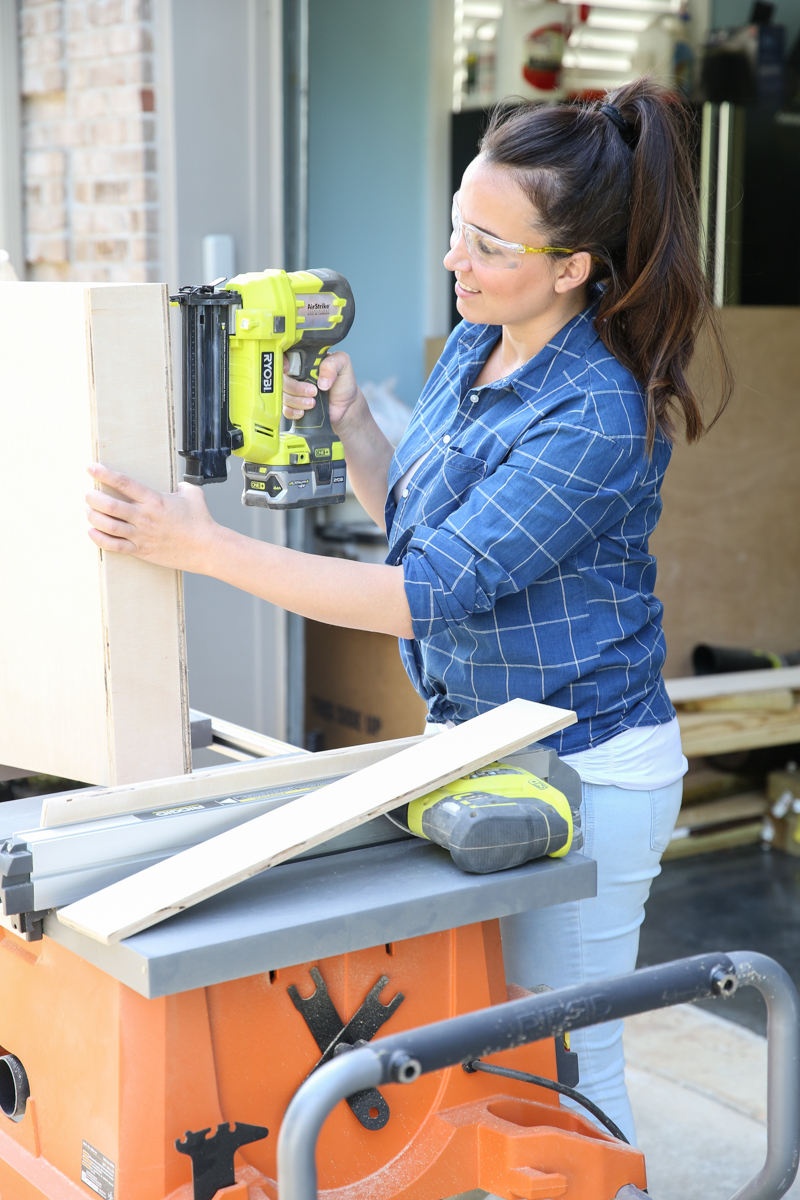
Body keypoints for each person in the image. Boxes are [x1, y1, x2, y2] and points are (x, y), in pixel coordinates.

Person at [85, 77, 730, 1143]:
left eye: (486, 244)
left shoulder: (597, 416)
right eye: (453, 229)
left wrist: (198, 548)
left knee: (564, 1058)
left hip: (588, 767)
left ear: (569, 269)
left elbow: (424, 597)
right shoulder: (479, 345)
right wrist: (356, 435)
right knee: (487, 1043)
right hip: (476, 749)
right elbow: (423, 533)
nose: (452, 262)